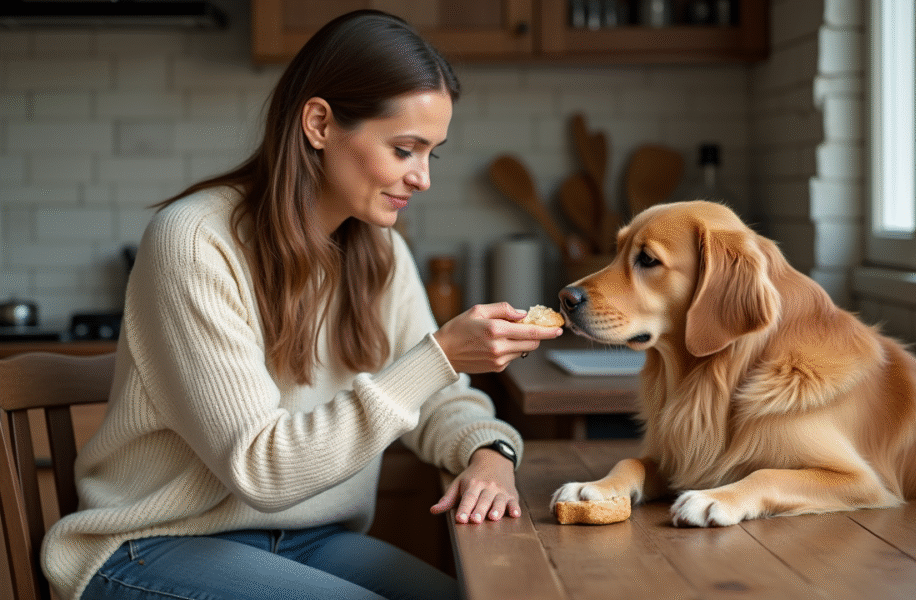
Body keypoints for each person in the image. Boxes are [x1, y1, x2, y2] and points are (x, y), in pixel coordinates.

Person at [41, 10, 562, 600]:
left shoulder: (377, 250)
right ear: (319, 123)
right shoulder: (193, 242)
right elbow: (263, 469)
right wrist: (439, 353)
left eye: (430, 155)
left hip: (303, 539)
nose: (422, 178)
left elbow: (441, 403)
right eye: (404, 150)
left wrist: (491, 451)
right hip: (149, 547)